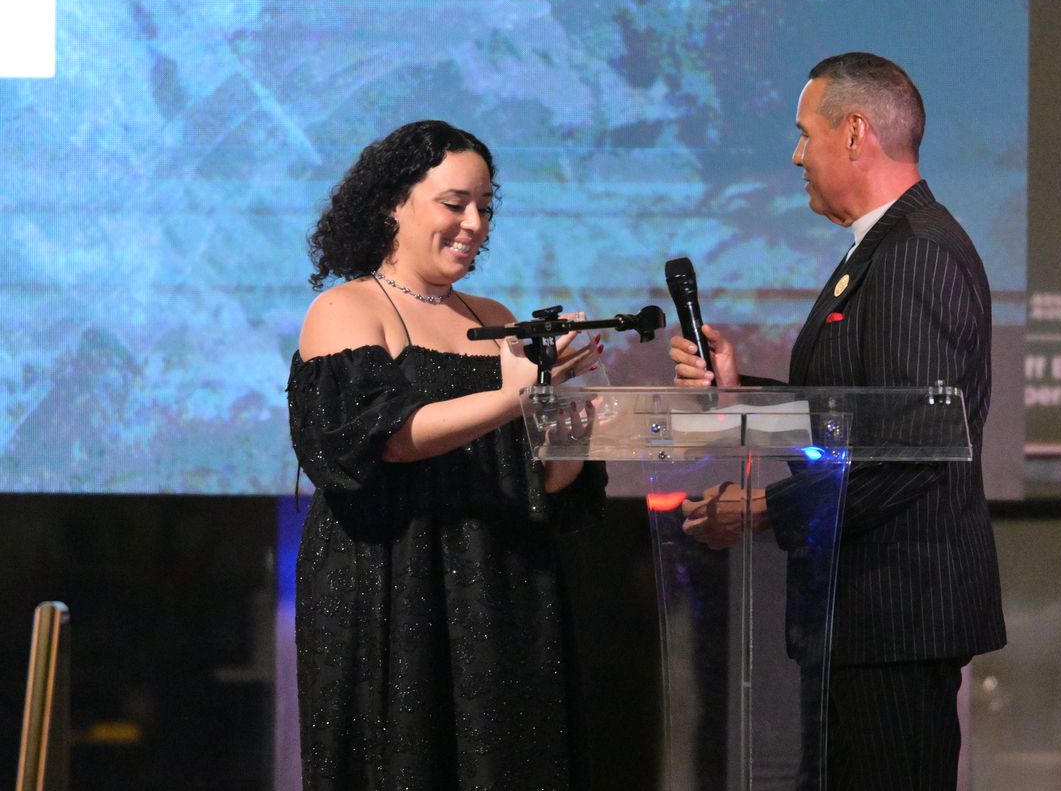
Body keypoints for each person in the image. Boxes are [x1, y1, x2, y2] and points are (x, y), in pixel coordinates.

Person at [669, 53, 1006, 789]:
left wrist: (762, 508)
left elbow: (915, 446)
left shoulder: (915, 252)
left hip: (896, 613)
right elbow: (856, 414)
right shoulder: (881, 249)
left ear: (854, 133)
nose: (796, 155)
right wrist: (739, 389)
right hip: (858, 612)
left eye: (803, 133)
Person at [286, 120, 605, 789]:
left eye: (485, 207)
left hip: (501, 583)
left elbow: (544, 482)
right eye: (454, 203)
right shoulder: (345, 308)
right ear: (392, 203)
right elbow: (386, 439)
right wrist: (518, 394)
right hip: (389, 583)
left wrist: (566, 414)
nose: (474, 223)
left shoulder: (495, 314)